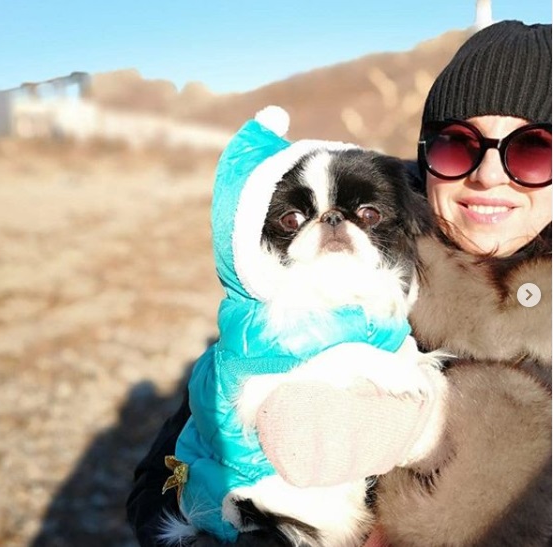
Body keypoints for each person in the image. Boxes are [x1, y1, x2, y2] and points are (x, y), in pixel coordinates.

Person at [127, 20, 552, 546]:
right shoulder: (344, 270)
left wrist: (432, 427)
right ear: (426, 153)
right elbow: (165, 473)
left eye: (534, 149)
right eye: (458, 145)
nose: (489, 175)